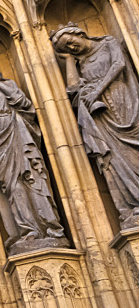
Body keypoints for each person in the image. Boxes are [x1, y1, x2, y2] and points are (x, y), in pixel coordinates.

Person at [0, 56, 68, 254]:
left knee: (31, 179)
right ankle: (28, 230)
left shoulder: (6, 85)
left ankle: (50, 228)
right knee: (12, 187)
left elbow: (24, 104)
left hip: (17, 137)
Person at [51, 25, 139, 229]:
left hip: (124, 100)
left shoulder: (108, 43)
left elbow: (119, 65)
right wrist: (69, 60)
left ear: (80, 33)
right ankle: (133, 203)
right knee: (115, 158)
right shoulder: (80, 61)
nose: (71, 47)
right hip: (103, 116)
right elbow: (73, 88)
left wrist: (97, 91)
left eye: (71, 42)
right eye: (66, 47)